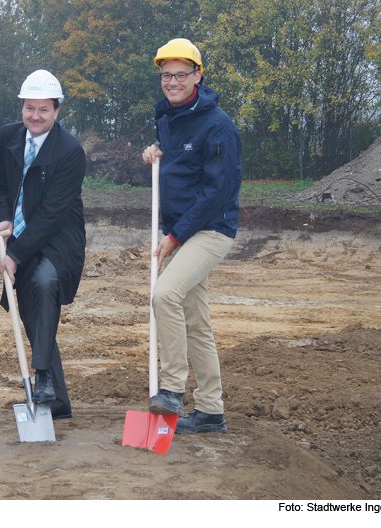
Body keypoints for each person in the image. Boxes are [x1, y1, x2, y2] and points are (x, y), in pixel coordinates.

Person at [141, 38, 242, 434]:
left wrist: (175, 237)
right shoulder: (167, 118)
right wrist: (153, 153)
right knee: (197, 322)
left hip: (211, 229)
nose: (173, 82)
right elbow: (176, 161)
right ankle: (211, 411)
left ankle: (171, 388)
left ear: (198, 75)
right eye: (166, 75)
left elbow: (218, 191)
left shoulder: (219, 125)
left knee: (165, 294)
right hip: (182, 229)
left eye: (181, 74)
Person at [0, 70, 86, 421]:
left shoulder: (70, 151)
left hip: (60, 239)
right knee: (32, 312)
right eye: (30, 108)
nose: (35, 116)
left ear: (56, 111)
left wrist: (14, 254)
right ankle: (56, 399)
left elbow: (51, 213)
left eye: (44, 109)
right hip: (20, 234)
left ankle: (42, 375)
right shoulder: (8, 137)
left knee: (44, 283)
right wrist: (3, 219)